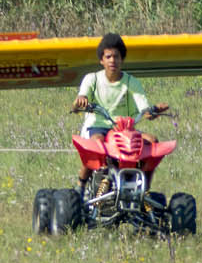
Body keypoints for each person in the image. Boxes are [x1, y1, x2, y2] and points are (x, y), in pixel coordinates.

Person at [69, 32, 170, 188]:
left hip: (124, 130)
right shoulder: (92, 79)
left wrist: (153, 111)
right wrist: (79, 102)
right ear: (101, 60)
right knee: (97, 144)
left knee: (152, 142)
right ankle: (80, 186)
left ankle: (144, 188)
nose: (112, 61)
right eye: (108, 57)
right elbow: (78, 102)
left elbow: (144, 109)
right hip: (98, 127)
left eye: (116, 56)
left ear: (122, 59)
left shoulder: (131, 82)